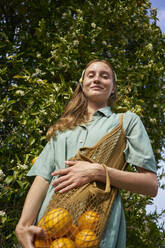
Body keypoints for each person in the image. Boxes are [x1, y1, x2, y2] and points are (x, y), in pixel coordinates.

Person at [15, 59, 158, 248]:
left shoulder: (126, 122)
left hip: (98, 228)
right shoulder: (61, 131)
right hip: (51, 228)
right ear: (82, 85)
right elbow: (43, 179)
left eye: (104, 76)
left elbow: (150, 185)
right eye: (91, 75)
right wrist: (23, 225)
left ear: (113, 88)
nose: (97, 79)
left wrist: (98, 172)